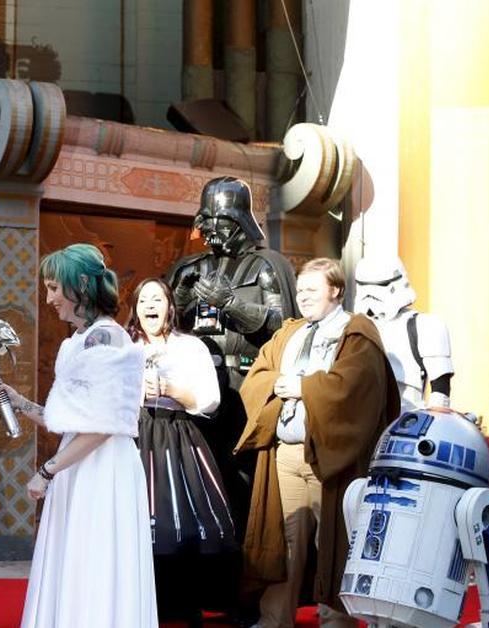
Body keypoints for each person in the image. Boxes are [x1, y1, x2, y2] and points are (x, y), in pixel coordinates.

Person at [236, 257, 398, 628]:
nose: (303, 296)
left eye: (312, 289)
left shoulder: (355, 331)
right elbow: (258, 374)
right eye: (300, 290)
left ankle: (336, 621)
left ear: (336, 290)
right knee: (284, 542)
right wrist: (277, 384)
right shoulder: (289, 333)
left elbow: (357, 385)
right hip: (286, 455)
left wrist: (305, 387)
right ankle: (274, 619)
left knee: (334, 542)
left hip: (332, 457)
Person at [1, 243, 156, 628]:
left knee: (95, 563)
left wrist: (47, 470)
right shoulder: (79, 341)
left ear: (81, 284)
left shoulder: (106, 339)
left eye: (54, 288)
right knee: (77, 563)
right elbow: (71, 421)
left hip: (103, 469)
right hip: (79, 463)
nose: (48, 298)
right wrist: (17, 400)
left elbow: (103, 426)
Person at [165, 176, 298, 621]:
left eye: (219, 220)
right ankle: (193, 591)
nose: (210, 229)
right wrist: (179, 299)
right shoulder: (191, 267)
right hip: (193, 394)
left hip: (246, 392)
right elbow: (160, 321)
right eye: (205, 220)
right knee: (193, 489)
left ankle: (244, 594)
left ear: (239, 219)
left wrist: (230, 303)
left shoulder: (267, 265)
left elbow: (285, 326)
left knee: (243, 492)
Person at [126, 277, 234, 625]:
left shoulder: (191, 347)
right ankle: (136, 603)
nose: (150, 305)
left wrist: (170, 389)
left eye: (157, 299)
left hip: (177, 435)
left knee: (184, 521)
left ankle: (183, 604)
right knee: (134, 522)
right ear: (135, 309)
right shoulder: (124, 347)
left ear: (170, 307)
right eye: (144, 300)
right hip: (134, 436)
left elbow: (210, 400)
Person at [353, 255, 454, 411]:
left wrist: (431, 420)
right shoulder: (353, 327)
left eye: (379, 286)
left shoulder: (425, 326)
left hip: (407, 417)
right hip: (362, 417)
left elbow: (440, 393)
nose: (370, 297)